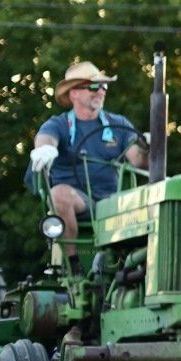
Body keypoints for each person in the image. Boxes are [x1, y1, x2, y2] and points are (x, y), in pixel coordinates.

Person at [28, 60, 148, 266]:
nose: (101, 91)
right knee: (58, 195)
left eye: (104, 86)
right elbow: (46, 139)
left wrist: (148, 146)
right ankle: (74, 266)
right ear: (74, 93)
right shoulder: (59, 125)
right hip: (82, 203)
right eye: (94, 86)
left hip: (115, 204)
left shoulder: (118, 124)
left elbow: (139, 161)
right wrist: (43, 149)